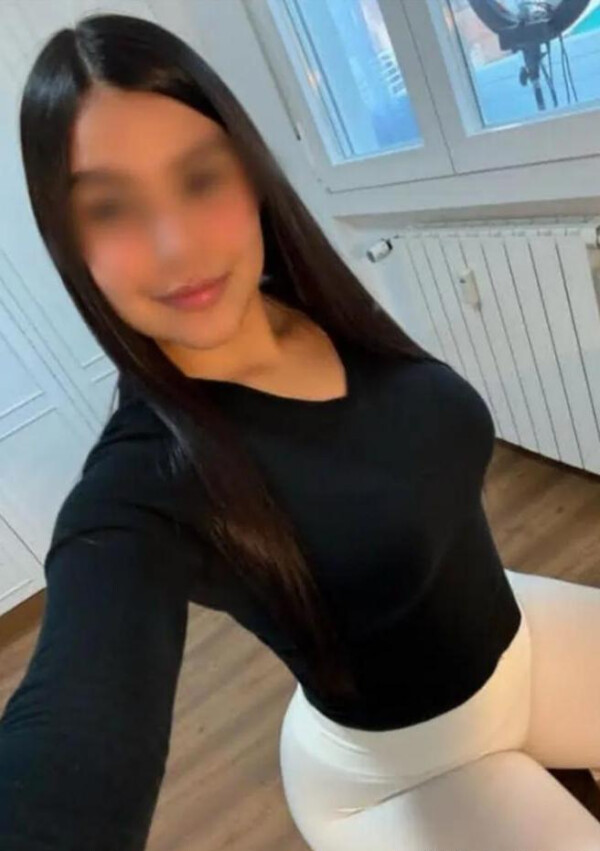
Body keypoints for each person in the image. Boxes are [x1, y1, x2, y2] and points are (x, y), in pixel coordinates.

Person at [1, 11, 599, 851]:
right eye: (110, 208)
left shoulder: (314, 301)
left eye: (200, 178)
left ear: (248, 174)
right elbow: (70, 746)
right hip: (398, 775)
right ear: (71, 243)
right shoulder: (137, 490)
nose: (175, 245)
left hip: (516, 637)